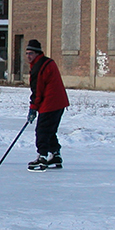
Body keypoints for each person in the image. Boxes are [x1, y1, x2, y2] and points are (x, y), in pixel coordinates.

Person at [25, 39, 70, 171]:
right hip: (59, 103)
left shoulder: (39, 67)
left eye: (31, 53)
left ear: (37, 53)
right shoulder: (47, 62)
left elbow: (37, 91)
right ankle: (55, 154)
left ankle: (42, 157)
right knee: (50, 130)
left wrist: (33, 109)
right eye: (27, 53)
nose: (28, 56)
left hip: (50, 103)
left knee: (42, 131)